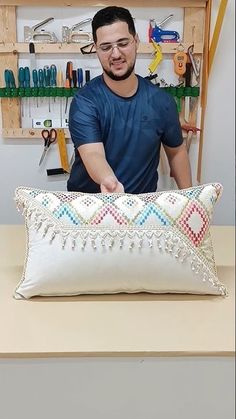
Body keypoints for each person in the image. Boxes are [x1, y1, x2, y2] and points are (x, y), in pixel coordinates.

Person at [68, 6, 192, 194]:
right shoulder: (85, 102)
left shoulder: (162, 102)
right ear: (96, 50)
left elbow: (176, 151)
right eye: (106, 47)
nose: (115, 54)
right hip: (89, 211)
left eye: (123, 43)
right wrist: (108, 180)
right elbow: (92, 153)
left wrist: (190, 200)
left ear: (136, 41)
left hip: (141, 210)